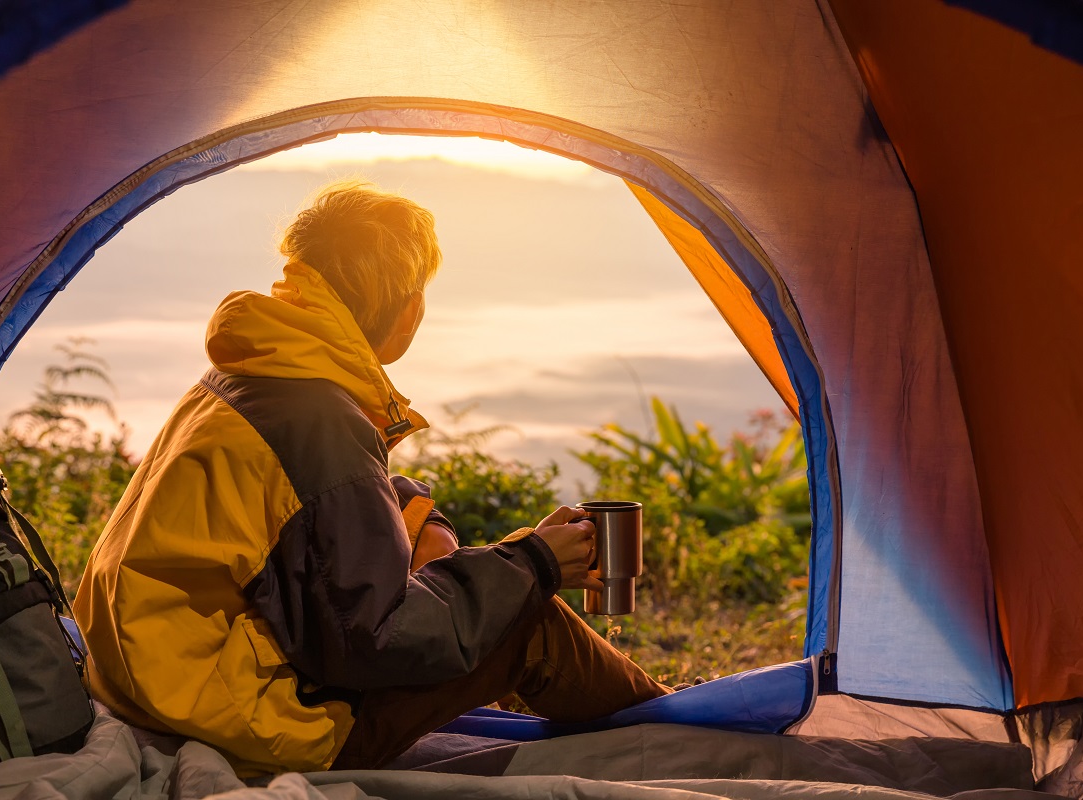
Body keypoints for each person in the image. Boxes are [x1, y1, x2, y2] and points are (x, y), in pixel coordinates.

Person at [74, 181, 669, 776]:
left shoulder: (250, 371)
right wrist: (534, 563)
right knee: (528, 625)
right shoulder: (321, 419)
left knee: (411, 507)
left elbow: (304, 530)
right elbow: (375, 639)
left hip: (148, 672)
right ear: (406, 304)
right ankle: (670, 726)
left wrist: (420, 519)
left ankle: (614, 699)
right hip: (235, 715)